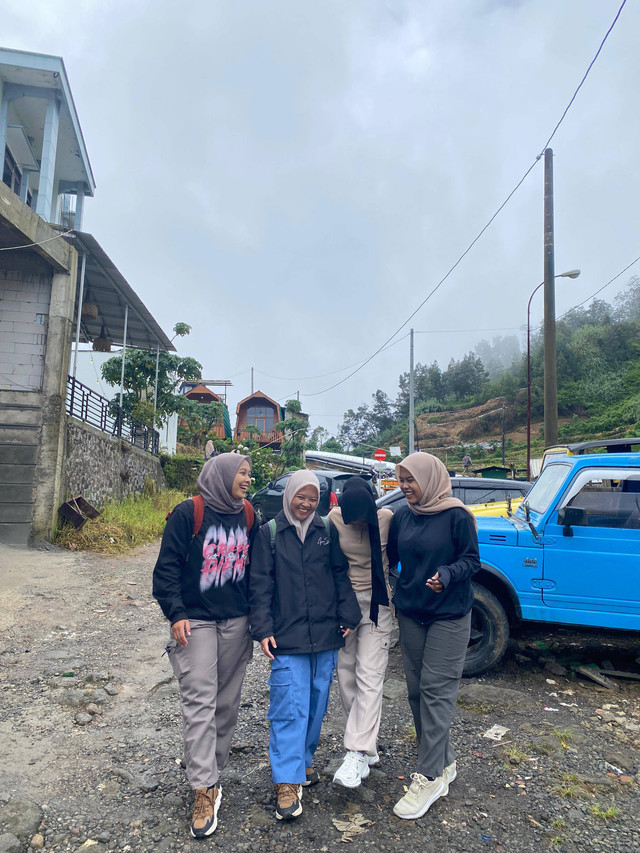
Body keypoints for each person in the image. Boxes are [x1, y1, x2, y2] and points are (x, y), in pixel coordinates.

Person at [152, 453, 255, 838]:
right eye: (242, 473)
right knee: (198, 699)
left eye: (248, 473)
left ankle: (211, 768)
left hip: (236, 621)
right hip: (194, 621)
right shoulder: (188, 513)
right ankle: (203, 788)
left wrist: (259, 621)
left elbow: (256, 571)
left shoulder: (248, 515)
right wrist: (175, 612)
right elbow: (166, 568)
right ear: (222, 475)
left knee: (225, 702)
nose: (247, 478)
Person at [249, 470, 361, 821]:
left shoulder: (325, 530)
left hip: (326, 636)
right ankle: (286, 781)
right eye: (302, 496)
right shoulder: (269, 533)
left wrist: (349, 615)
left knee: (315, 705)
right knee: (288, 707)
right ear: (289, 496)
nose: (307, 503)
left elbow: (340, 574)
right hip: (287, 637)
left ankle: (304, 760)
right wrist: (263, 628)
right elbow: (259, 586)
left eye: (313, 498)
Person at [387, 452, 480, 820]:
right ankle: (444, 760)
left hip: (450, 614)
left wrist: (446, 573)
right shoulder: (401, 517)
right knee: (414, 690)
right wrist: (402, 587)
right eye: (402, 479)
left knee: (436, 690)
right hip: (412, 613)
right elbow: (393, 559)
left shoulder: (456, 515)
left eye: (412, 479)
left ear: (430, 478)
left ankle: (428, 777)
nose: (406, 486)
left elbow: (472, 560)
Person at [328, 477, 394, 789]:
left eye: (360, 516)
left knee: (370, 675)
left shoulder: (386, 520)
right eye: (350, 515)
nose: (355, 522)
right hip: (345, 605)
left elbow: (397, 555)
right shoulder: (333, 519)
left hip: (378, 604)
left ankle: (355, 752)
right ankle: (366, 747)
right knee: (346, 676)